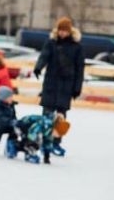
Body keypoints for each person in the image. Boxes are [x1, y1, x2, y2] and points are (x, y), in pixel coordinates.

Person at [33, 17, 84, 155]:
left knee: (61, 117)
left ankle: (56, 143)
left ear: (70, 31)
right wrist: (38, 67)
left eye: (65, 31)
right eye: (60, 30)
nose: (62, 33)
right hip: (51, 83)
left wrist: (77, 87)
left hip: (66, 86)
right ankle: (44, 141)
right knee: (47, 115)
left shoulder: (76, 47)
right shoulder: (51, 43)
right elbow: (44, 56)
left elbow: (80, 68)